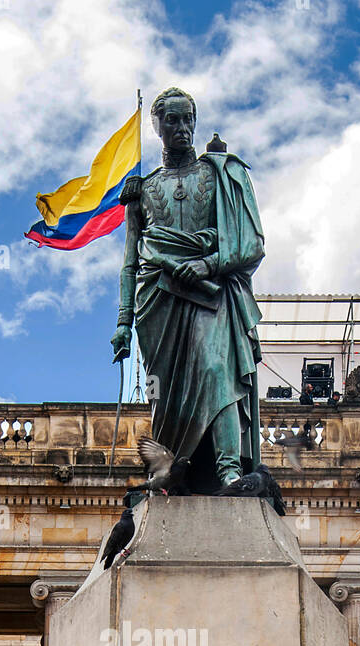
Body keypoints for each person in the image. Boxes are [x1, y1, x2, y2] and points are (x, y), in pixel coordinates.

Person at [111, 88, 264, 491]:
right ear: (157, 126)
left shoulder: (220, 174)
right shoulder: (140, 191)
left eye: (187, 120)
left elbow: (250, 243)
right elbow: (130, 260)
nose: (182, 129)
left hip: (211, 293)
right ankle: (166, 475)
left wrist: (207, 263)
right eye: (172, 121)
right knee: (162, 397)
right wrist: (123, 322)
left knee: (218, 370)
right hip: (159, 301)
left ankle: (229, 469)